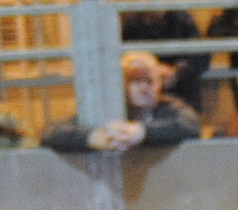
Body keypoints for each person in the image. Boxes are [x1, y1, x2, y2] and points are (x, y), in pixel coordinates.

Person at [43, 51, 201, 152]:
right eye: (135, 81)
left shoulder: (168, 107)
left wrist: (140, 132)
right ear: (121, 85)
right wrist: (93, 138)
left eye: (150, 81)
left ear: (160, 85)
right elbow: (51, 132)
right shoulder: (106, 108)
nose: (144, 88)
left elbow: (190, 124)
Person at [121, 0, 208, 113]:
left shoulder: (182, 18)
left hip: (179, 89)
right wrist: (150, 72)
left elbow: (201, 54)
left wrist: (177, 72)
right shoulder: (127, 21)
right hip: (140, 88)